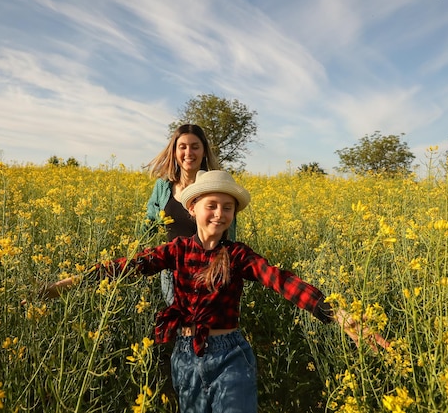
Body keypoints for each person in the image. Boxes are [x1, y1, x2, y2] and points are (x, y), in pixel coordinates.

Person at [44, 170, 388, 412]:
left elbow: (281, 281)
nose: (220, 213)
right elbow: (128, 266)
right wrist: (72, 284)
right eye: (212, 205)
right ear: (192, 208)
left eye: (227, 207)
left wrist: (337, 314)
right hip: (185, 355)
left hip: (230, 357)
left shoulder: (238, 255)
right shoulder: (176, 249)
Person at [144, 124, 236, 306]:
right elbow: (148, 223)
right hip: (172, 272)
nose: (188, 153)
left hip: (209, 271)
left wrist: (224, 269)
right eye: (183, 147)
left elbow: (229, 232)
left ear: (203, 152)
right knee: (181, 328)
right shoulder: (163, 187)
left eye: (195, 147)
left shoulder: (216, 186)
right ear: (174, 151)